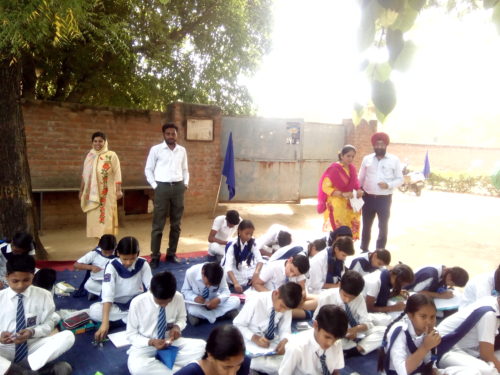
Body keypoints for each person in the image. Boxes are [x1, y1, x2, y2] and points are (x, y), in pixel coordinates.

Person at [0, 254, 74, 375]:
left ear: (33, 276)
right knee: (63, 368)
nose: (20, 285)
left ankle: (20, 370)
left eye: (26, 280)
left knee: (68, 336)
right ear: (7, 277)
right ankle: (35, 372)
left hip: (31, 346)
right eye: (15, 281)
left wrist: (32, 332)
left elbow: (49, 323)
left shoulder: (44, 295)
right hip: (3, 349)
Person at [126, 271, 205, 375]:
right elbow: (131, 335)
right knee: (137, 368)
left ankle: (164, 369)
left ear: (173, 294)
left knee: (203, 346)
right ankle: (179, 370)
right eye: (160, 302)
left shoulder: (178, 297)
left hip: (170, 343)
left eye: (167, 302)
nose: (164, 305)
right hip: (145, 346)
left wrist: (177, 327)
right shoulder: (137, 303)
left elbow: (182, 318)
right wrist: (151, 342)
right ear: (151, 291)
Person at [377, 294, 468, 375]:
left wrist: (435, 371)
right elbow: (403, 371)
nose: (429, 322)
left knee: (472, 372)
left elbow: (430, 362)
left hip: (421, 371)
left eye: (432, 317)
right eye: (423, 316)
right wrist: (425, 347)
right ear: (410, 316)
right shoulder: (399, 332)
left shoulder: (431, 331)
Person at [304, 270, 386, 357]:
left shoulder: (359, 298)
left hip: (353, 331)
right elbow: (317, 322)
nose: (347, 300)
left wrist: (353, 330)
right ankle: (349, 349)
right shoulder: (327, 297)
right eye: (345, 295)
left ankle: (355, 350)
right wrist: (340, 334)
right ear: (340, 286)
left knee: (384, 331)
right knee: (323, 341)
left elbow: (367, 323)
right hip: (334, 334)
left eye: (352, 298)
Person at [90, 236, 152, 342]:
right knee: (94, 311)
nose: (128, 262)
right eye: (125, 259)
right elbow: (107, 294)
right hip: (116, 304)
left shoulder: (143, 264)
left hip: (136, 303)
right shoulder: (112, 266)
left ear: (137, 254)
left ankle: (123, 321)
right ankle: (130, 320)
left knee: (160, 303)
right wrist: (105, 323)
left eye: (132, 258)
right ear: (118, 253)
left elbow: (151, 287)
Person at [233, 282, 303, 374]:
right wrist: (254, 338)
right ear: (275, 293)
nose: (282, 310)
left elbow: (285, 329)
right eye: (282, 306)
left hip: (269, 342)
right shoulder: (257, 300)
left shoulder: (286, 306)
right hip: (249, 341)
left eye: (286, 309)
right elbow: (237, 324)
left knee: (295, 356)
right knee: (281, 365)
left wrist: (284, 341)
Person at [145, 123, 189, 268]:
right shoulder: (156, 150)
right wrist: (155, 186)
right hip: (162, 187)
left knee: (176, 224)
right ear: (164, 135)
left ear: (177, 134)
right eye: (168, 133)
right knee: (158, 224)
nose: (171, 136)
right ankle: (155, 256)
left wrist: (185, 184)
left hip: (178, 188)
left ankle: (171, 254)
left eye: (173, 133)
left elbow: (185, 169)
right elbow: (148, 169)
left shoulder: (182, 150)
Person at [358, 132, 403, 252]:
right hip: (368, 198)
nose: (379, 146)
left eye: (382, 144)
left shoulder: (394, 160)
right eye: (377, 144)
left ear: (386, 145)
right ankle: (364, 249)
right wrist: (358, 189)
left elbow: (400, 179)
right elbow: (361, 177)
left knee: (383, 226)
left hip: (384, 199)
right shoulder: (367, 159)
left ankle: (380, 250)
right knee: (366, 225)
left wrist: (388, 185)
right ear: (373, 145)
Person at [437, 295, 500, 375]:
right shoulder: (489, 314)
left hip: (467, 349)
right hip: (445, 348)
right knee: (489, 372)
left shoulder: (493, 301)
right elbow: (486, 355)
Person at [278, 305, 348, 375]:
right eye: (327, 337)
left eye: (335, 339)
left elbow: (335, 371)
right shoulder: (296, 347)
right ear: (315, 325)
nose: (330, 343)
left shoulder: (336, 342)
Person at [79, 131, 122, 239]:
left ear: (105, 142)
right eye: (95, 141)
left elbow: (117, 173)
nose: (98, 143)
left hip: (106, 194)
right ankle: (98, 243)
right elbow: (85, 175)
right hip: (92, 194)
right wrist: (81, 191)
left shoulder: (111, 155)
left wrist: (118, 190)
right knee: (94, 219)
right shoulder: (90, 156)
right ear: (92, 142)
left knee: (106, 219)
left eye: (100, 141)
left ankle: (107, 243)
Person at [317, 144, 363, 238]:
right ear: (341, 156)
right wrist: (342, 194)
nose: (350, 158)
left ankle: (346, 248)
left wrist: (358, 190)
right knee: (338, 230)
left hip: (351, 203)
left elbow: (355, 183)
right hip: (337, 204)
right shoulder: (334, 169)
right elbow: (325, 187)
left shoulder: (352, 169)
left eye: (352, 156)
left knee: (349, 229)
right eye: (348, 156)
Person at [174, 325, 251, 375]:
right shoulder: (190, 372)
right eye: (226, 367)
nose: (233, 373)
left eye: (238, 366)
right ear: (210, 356)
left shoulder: (244, 362)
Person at [181, 262, 240, 326]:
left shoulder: (220, 272)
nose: (208, 286)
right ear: (203, 273)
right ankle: (224, 314)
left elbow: (225, 291)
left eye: (212, 285)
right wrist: (194, 297)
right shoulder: (191, 273)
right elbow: (185, 291)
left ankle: (204, 317)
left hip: (214, 301)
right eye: (207, 283)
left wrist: (218, 300)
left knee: (236, 300)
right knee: (193, 310)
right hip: (198, 304)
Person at [222, 220, 263, 293]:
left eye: (251, 234)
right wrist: (235, 283)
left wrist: (256, 273)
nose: (249, 236)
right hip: (232, 268)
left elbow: (260, 260)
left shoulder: (251, 242)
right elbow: (228, 267)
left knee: (262, 271)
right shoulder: (232, 245)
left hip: (242, 266)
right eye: (247, 233)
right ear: (239, 231)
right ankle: (232, 282)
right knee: (228, 277)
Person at [73, 234, 117, 298]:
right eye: (105, 252)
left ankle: (100, 293)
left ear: (115, 247)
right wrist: (91, 267)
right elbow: (76, 265)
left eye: (110, 252)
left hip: (113, 281)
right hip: (97, 282)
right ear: (100, 246)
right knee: (88, 285)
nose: (107, 255)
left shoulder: (119, 253)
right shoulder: (94, 254)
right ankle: (105, 293)